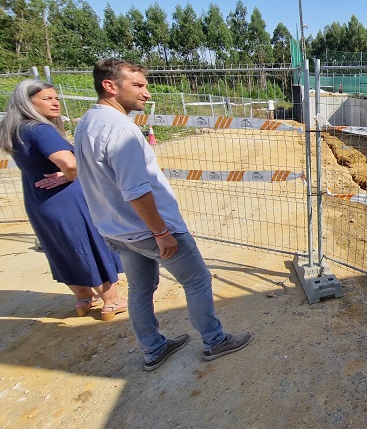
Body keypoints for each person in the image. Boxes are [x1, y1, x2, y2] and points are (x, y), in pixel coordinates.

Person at [73, 58, 252, 371]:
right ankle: (214, 340)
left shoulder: (88, 122)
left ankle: (153, 349)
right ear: (110, 86)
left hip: (117, 231)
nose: (146, 93)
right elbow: (135, 190)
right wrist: (161, 232)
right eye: (138, 85)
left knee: (141, 289)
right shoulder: (121, 131)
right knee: (197, 280)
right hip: (148, 231)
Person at [0, 79, 126, 319]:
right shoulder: (40, 129)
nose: (55, 102)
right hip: (65, 199)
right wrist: (68, 177)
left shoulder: (15, 129)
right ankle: (111, 301)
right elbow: (69, 164)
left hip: (37, 199)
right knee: (88, 243)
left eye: (56, 97)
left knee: (61, 248)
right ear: (28, 102)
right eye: (47, 99)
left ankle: (83, 298)